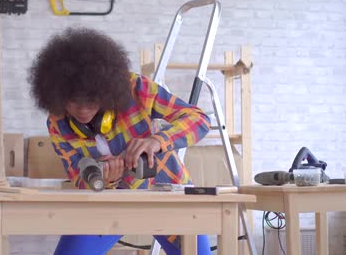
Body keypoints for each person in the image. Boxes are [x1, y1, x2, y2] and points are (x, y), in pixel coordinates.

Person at [28, 27, 212, 255]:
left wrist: (157, 140)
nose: (83, 110)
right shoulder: (57, 123)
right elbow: (78, 178)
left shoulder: (136, 89)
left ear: (106, 92)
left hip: (166, 193)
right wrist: (106, 179)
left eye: (91, 101)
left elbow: (200, 120)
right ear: (58, 97)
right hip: (107, 203)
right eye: (74, 103)